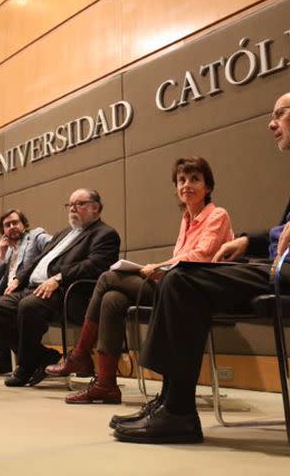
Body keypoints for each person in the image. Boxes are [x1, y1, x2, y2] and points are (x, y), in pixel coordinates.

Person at [112, 86, 290, 444]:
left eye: (278, 114)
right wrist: (250, 241)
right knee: (179, 280)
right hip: (288, 266)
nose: (271, 124)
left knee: (183, 280)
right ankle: (169, 405)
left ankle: (177, 413)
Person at [46, 157, 234, 404]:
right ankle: (106, 384)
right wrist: (161, 269)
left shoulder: (217, 215)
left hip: (199, 292)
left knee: (107, 278)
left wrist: (158, 267)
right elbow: (182, 261)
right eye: (181, 180)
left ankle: (80, 354)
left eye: (194, 179)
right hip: (176, 287)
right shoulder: (187, 219)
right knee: (112, 299)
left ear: (207, 187)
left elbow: (200, 257)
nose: (186, 185)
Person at [0, 189, 121, 387]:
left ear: (95, 208)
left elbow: (94, 266)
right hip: (33, 287)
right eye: (70, 204)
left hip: (66, 291)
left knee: (28, 306)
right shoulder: (64, 233)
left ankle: (25, 366)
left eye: (79, 204)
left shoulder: (105, 234)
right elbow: (39, 260)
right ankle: (45, 357)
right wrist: (18, 279)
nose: (73, 208)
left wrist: (59, 277)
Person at [0, 210, 51, 376]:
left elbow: (54, 247)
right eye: (7, 225)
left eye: (15, 222)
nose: (12, 227)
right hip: (5, 295)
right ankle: (2, 357)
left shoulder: (35, 236)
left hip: (28, 292)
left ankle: (35, 356)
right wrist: (2, 254)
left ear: (24, 224)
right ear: (3, 230)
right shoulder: (10, 250)